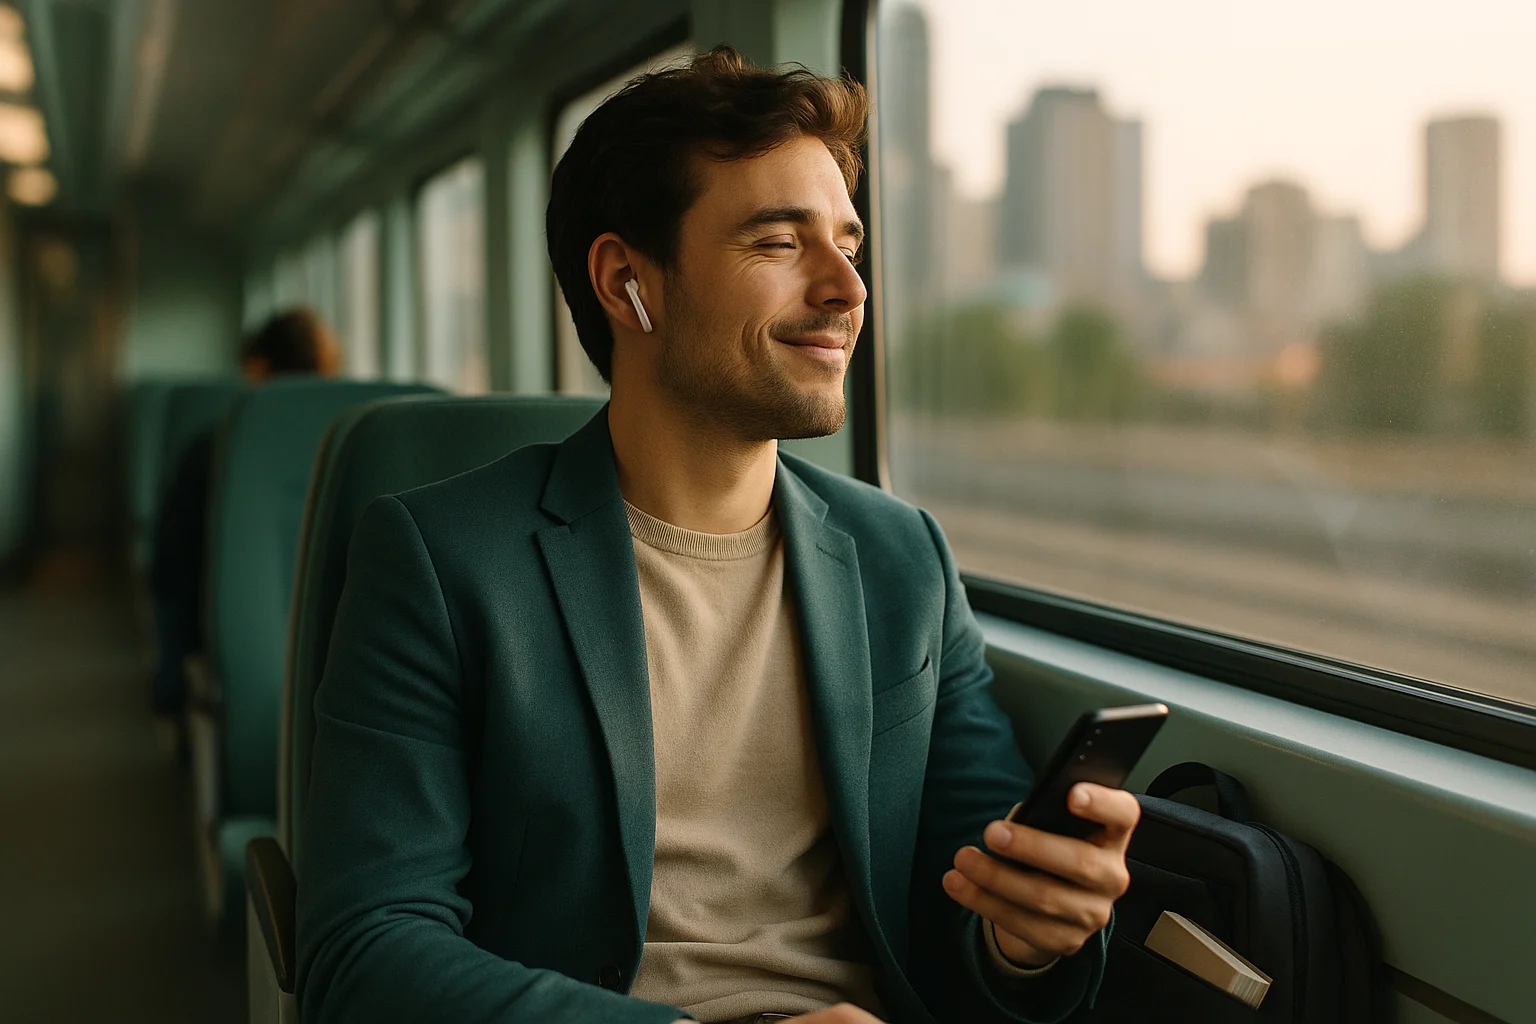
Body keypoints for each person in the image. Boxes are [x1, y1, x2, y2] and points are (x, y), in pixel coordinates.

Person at [296, 48, 1139, 1024]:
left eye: (850, 245)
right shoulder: (441, 560)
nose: (847, 289)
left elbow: (968, 901)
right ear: (626, 283)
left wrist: (1024, 934)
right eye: (780, 244)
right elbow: (366, 954)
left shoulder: (901, 558)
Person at [148, 309, 340, 720]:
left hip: (241, 662)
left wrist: (171, 683)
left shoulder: (216, 452)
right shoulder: (359, 447)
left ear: (257, 369)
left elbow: (172, 572)